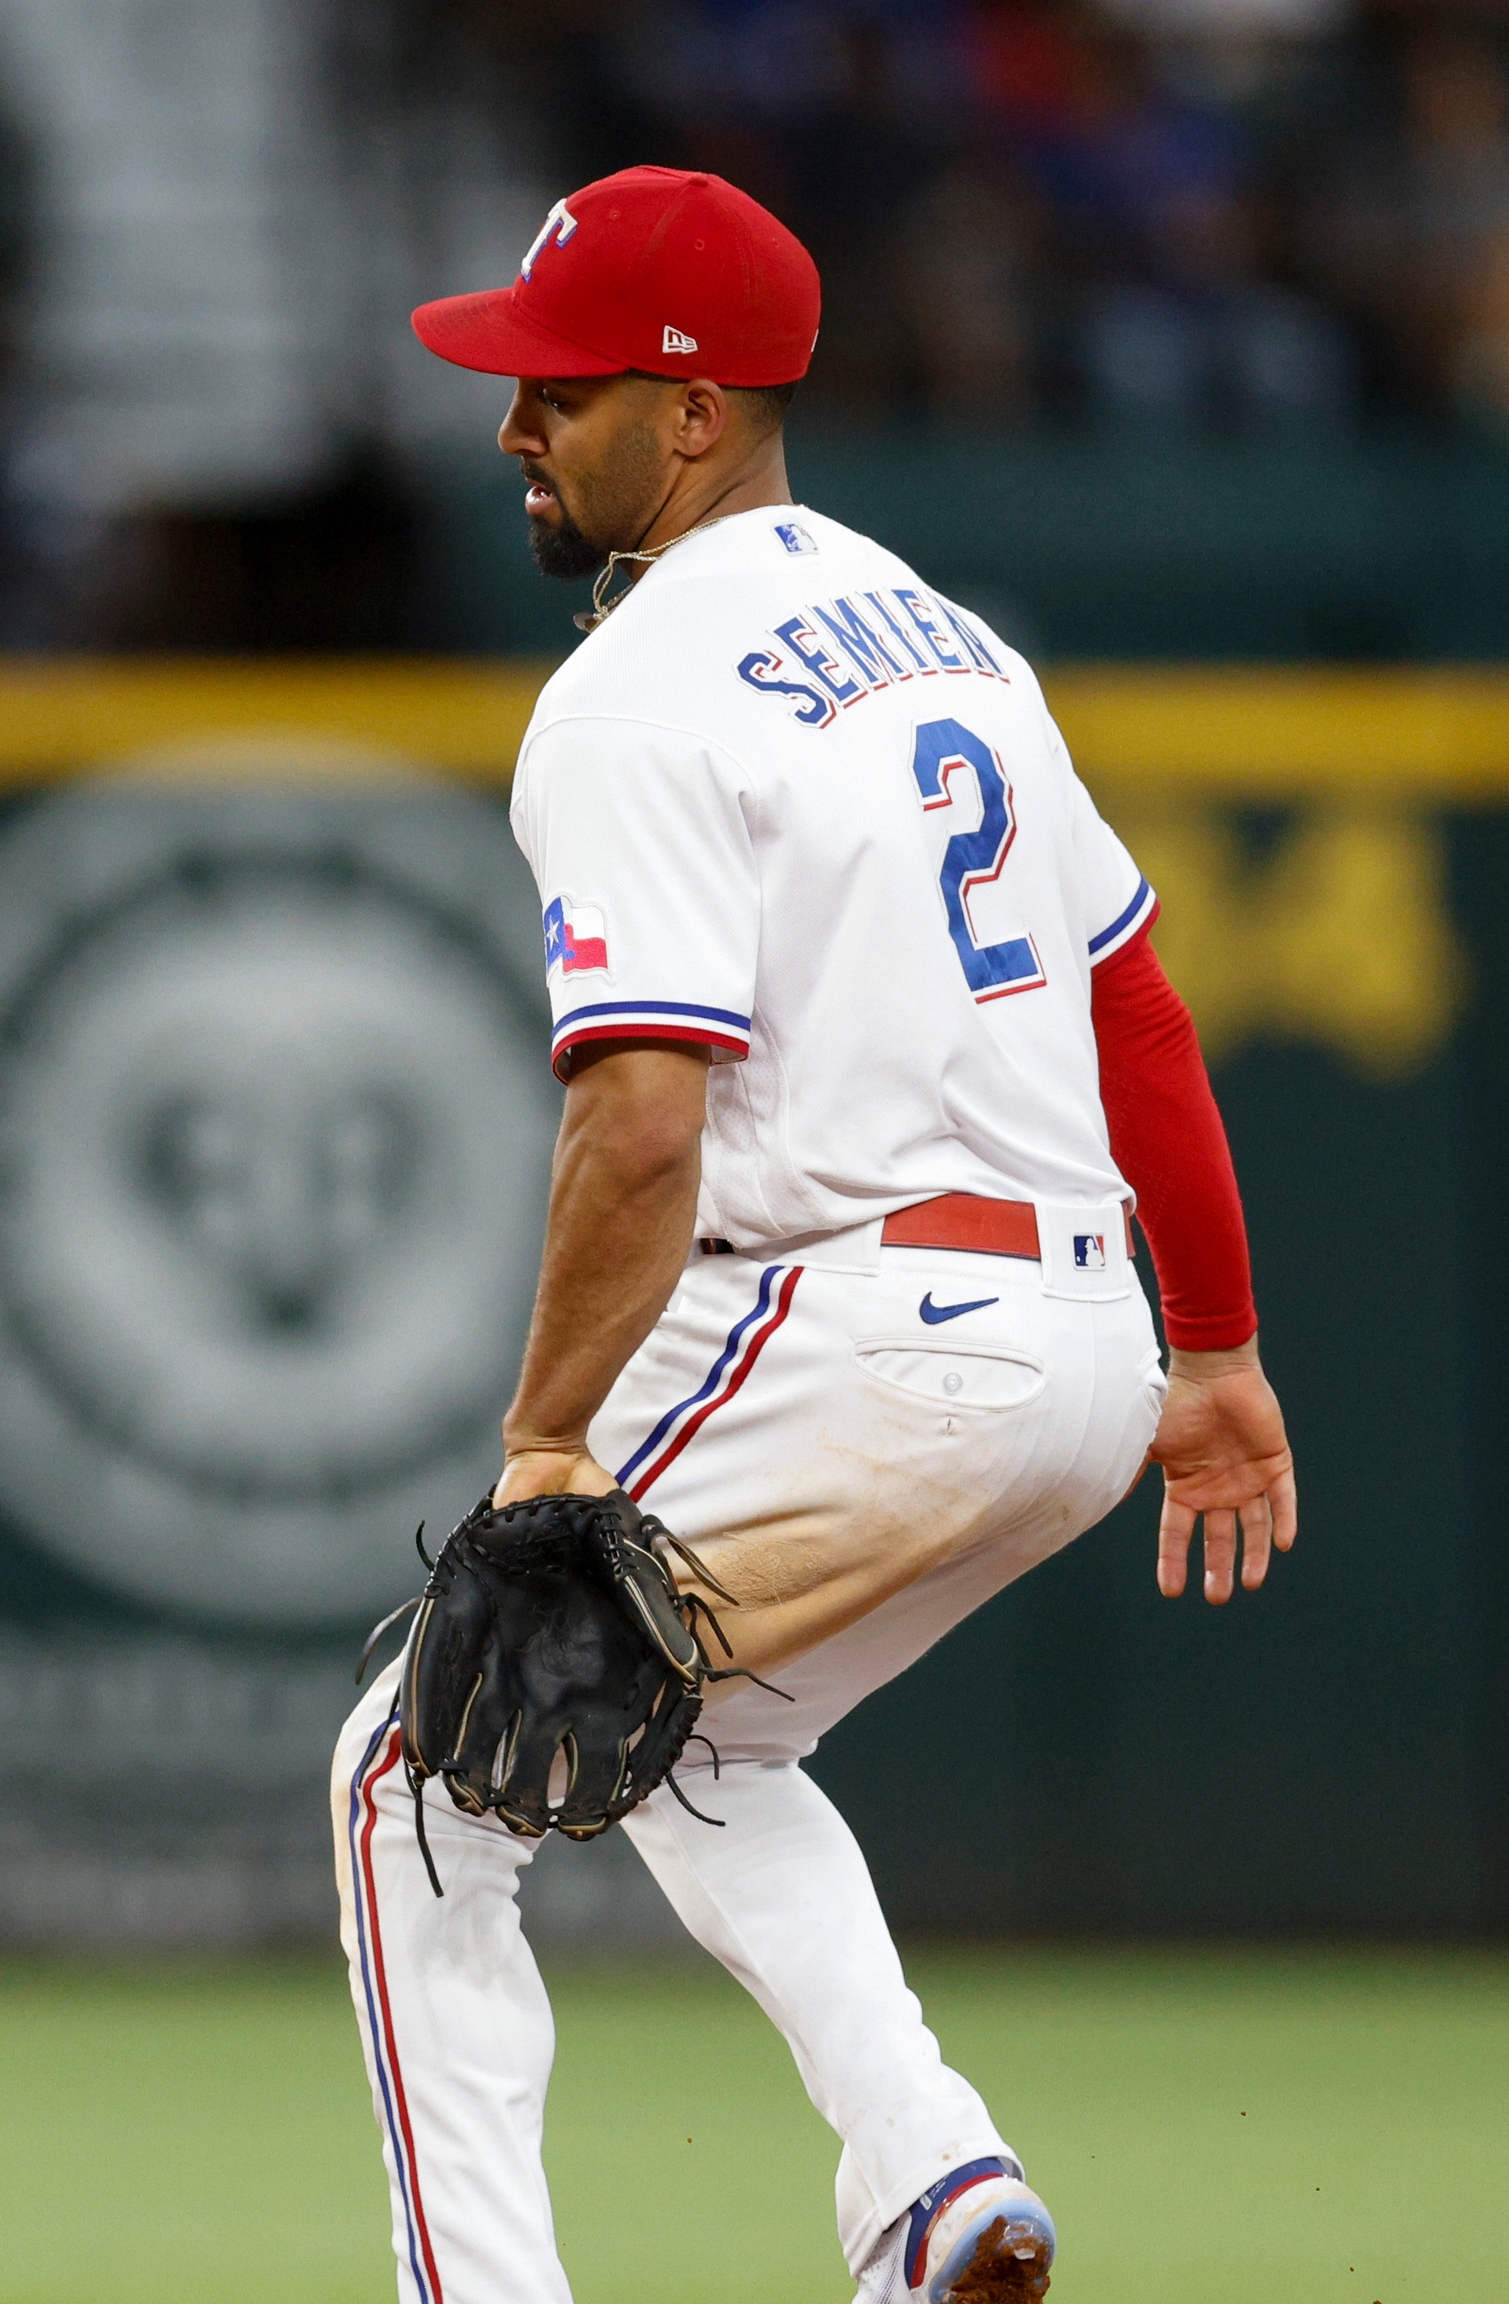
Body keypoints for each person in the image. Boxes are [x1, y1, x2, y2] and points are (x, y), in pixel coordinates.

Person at [330, 167, 1299, 2304]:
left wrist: (541, 1445)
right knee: (696, 1742)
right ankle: (934, 2187)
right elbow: (1127, 995)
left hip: (868, 1325)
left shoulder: (629, 693)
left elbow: (639, 1123)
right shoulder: (943, 636)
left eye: (552, 390)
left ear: (684, 415)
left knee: (406, 1771)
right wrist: (1210, 1356)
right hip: (1075, 1351)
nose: (511, 429)